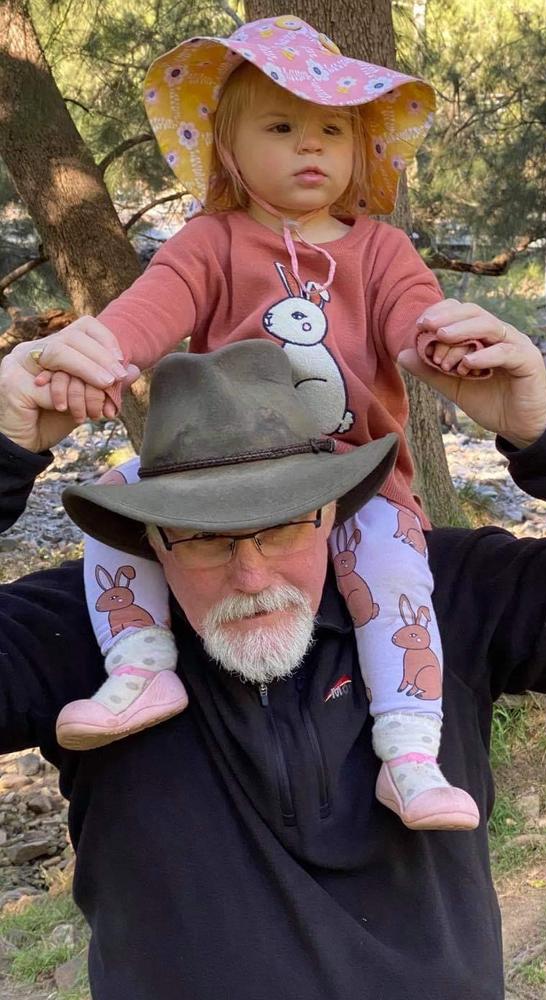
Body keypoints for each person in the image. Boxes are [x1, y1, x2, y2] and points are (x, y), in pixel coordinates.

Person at [0, 332, 546, 1000]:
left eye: (281, 525)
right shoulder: (83, 634)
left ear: (332, 507)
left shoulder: (438, 594)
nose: (251, 575)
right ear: (151, 536)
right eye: (203, 536)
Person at [17, 14, 501, 831]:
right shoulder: (212, 242)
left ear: (359, 149)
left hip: (354, 467)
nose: (310, 146)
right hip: (228, 467)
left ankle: (411, 750)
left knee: (392, 571)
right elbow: (146, 315)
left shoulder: (380, 250)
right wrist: (94, 357)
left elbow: (416, 324)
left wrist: (450, 347)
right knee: (111, 500)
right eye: (281, 127)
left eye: (332, 130)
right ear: (231, 152)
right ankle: (141, 662)